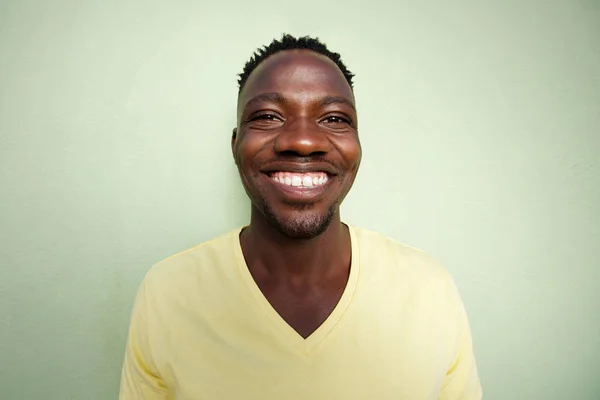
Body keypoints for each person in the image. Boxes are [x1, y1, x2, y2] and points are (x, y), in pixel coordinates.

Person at [119, 34, 482, 400]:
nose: (303, 141)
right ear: (235, 146)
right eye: (267, 116)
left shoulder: (429, 289)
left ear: (357, 144)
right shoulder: (168, 292)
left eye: (334, 118)